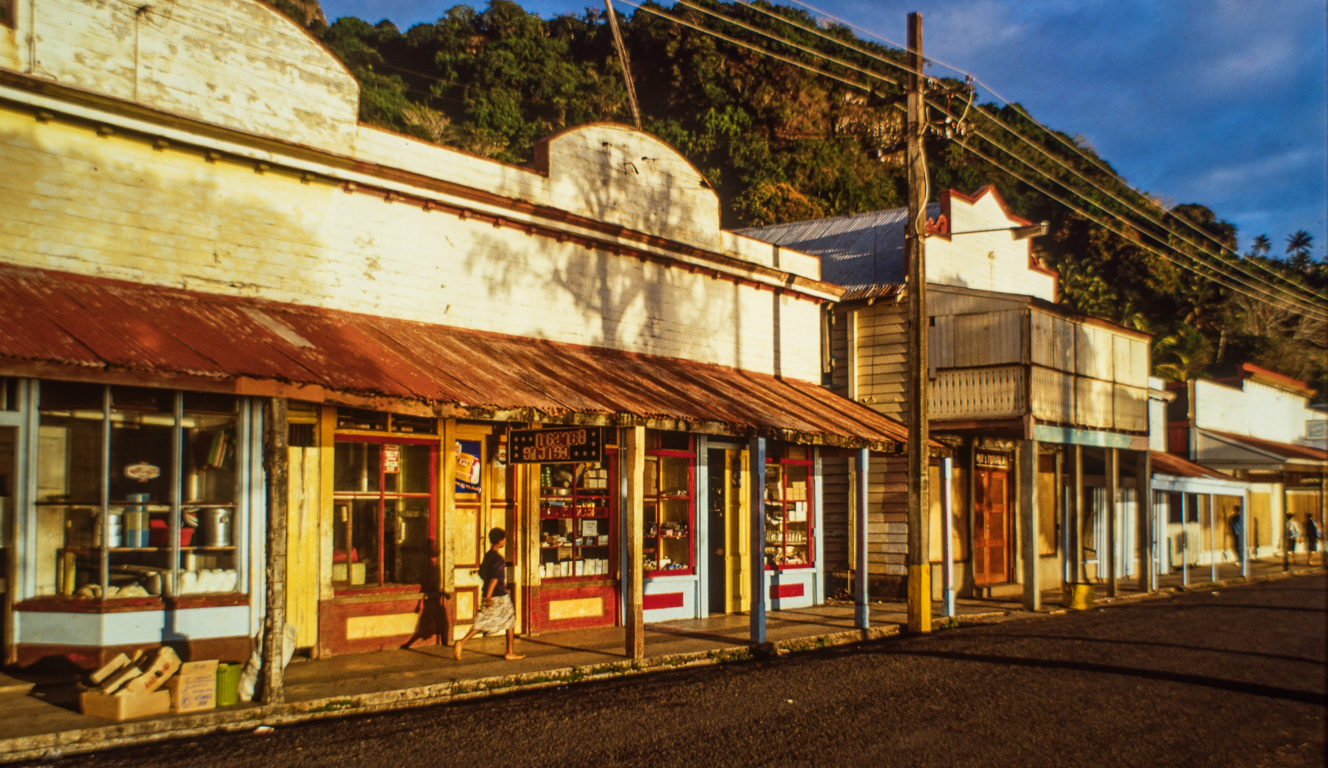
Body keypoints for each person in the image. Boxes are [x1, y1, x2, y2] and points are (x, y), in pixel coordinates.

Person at [454, 527, 524, 661]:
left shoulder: (488, 555)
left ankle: (462, 642)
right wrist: (488, 597)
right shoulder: (498, 559)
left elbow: (482, 574)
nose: (504, 542)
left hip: (488, 592)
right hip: (498, 595)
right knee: (510, 620)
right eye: (503, 539)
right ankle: (509, 652)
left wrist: (486, 594)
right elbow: (494, 579)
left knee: (483, 622)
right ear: (500, 541)